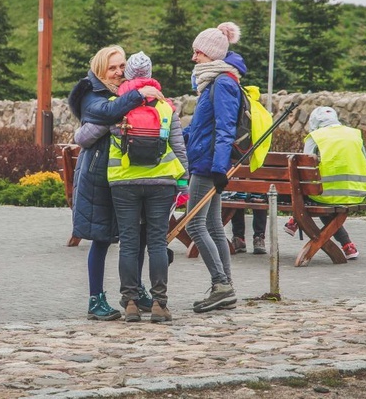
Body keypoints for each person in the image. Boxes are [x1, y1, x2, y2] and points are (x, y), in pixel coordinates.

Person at [75, 51, 189, 323]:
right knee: (155, 242)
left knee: (129, 241)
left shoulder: (118, 103)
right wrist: (184, 183)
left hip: (122, 180)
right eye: (111, 67)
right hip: (159, 181)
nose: (116, 71)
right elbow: (179, 147)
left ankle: (131, 303)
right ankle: (159, 303)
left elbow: (84, 135)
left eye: (121, 66)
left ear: (129, 71)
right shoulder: (162, 105)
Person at [184, 21, 245, 313]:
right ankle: (226, 288)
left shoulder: (222, 83)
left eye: (198, 53)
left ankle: (221, 285)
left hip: (208, 165)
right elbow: (202, 127)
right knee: (213, 227)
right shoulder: (212, 82)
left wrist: (220, 169)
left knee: (194, 224)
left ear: (211, 54)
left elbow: (225, 128)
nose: (194, 58)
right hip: (208, 161)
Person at [283, 106, 366, 260]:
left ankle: (296, 218)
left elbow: (304, 170)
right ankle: (347, 245)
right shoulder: (355, 134)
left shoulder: (316, 136)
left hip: (326, 195)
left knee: (316, 194)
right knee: (321, 196)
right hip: (357, 192)